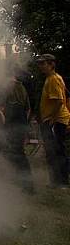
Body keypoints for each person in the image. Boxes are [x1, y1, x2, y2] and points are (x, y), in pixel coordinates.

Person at [0, 63, 33, 193]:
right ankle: (26, 185)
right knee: (18, 153)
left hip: (8, 122)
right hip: (21, 121)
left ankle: (3, 183)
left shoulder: (3, 87)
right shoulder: (22, 87)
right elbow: (28, 109)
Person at [36, 53, 70, 189]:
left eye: (43, 63)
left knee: (56, 151)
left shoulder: (54, 79)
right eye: (39, 63)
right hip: (54, 119)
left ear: (51, 64)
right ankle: (56, 181)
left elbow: (59, 101)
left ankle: (61, 182)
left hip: (56, 120)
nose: (40, 66)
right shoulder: (52, 78)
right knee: (53, 150)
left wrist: (50, 118)